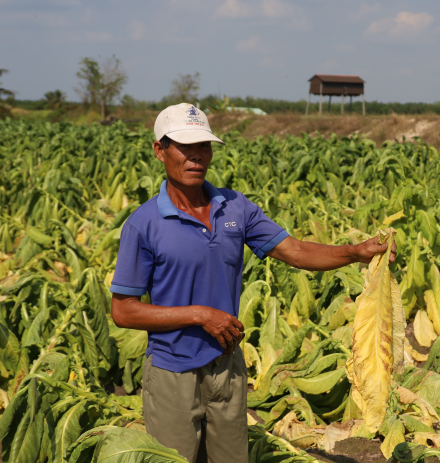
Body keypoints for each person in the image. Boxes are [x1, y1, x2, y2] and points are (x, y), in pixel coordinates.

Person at [109, 103, 396, 463]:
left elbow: (295, 251)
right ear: (159, 150)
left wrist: (356, 252)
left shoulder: (234, 207)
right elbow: (123, 311)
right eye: (184, 146)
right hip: (172, 372)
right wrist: (199, 315)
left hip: (227, 366)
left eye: (203, 145)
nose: (196, 155)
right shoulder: (144, 223)